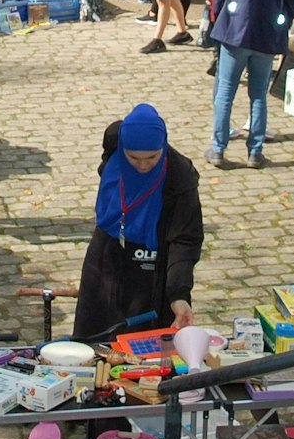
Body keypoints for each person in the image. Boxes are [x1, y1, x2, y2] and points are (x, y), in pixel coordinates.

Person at [71, 103, 204, 340]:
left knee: (140, 343)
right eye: (133, 158)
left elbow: (185, 240)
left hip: (149, 266)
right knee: (95, 335)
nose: (143, 165)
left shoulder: (179, 177)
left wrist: (178, 295)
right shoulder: (114, 141)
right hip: (105, 254)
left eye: (152, 157)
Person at [207, 0, 294, 169]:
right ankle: (255, 152)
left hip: (235, 33)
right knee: (258, 94)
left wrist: (221, 17)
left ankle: (218, 149)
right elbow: (292, 1)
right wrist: (281, 25)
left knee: (226, 91)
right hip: (266, 37)